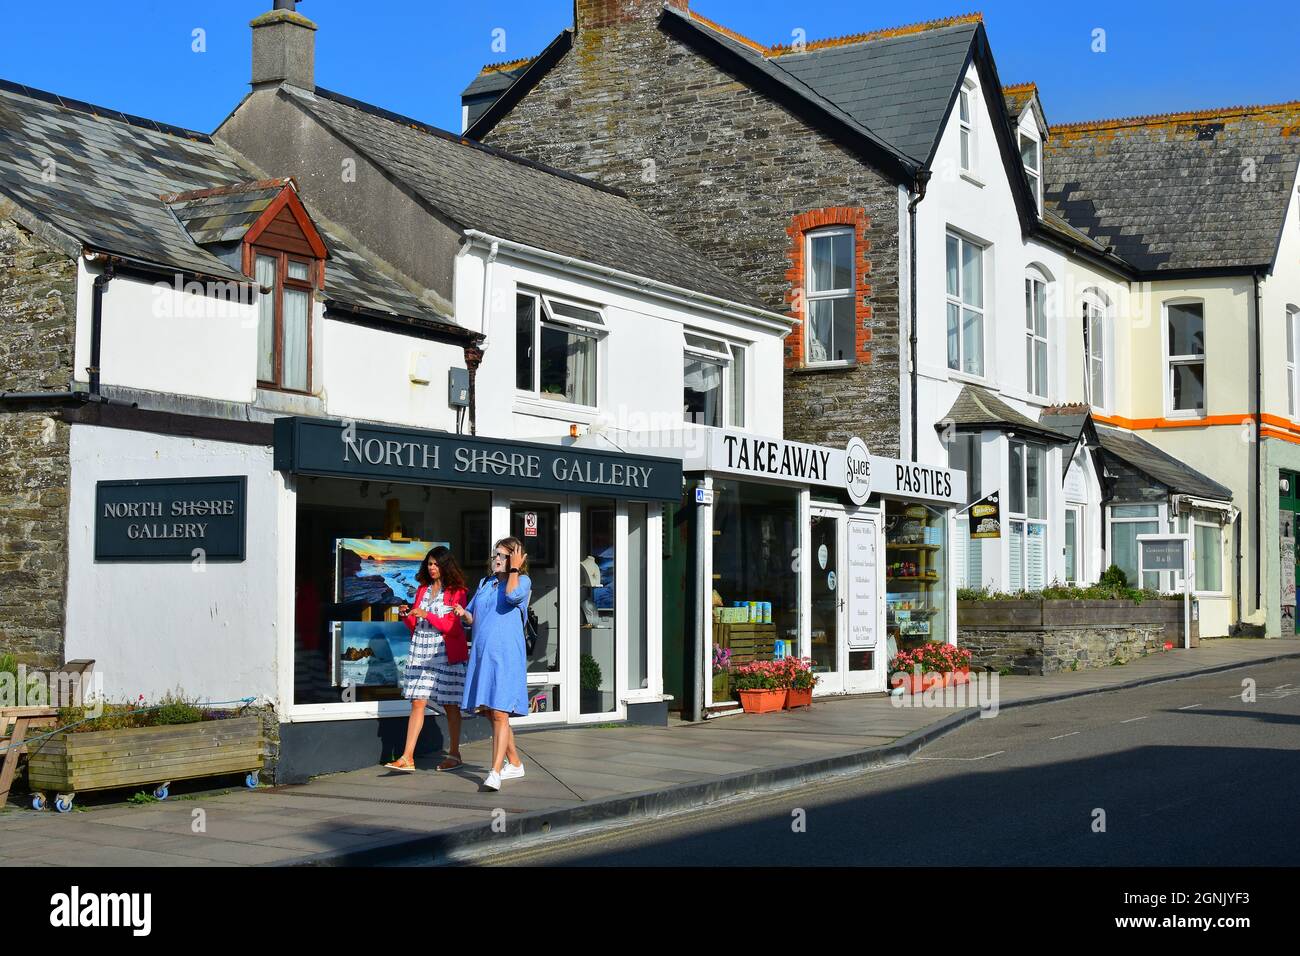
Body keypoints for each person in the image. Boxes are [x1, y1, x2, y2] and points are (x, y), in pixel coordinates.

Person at [454, 537, 530, 791]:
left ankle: (495, 771)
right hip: (483, 654)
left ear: (515, 558)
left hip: (506, 655)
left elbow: (511, 597)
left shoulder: (521, 581)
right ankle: (515, 763)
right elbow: (472, 616)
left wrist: (515, 569)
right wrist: (462, 613)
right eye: (495, 554)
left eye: (503, 555)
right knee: (489, 710)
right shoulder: (485, 583)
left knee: (499, 712)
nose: (497, 559)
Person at [384, 546, 469, 772]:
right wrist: (406, 616)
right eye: (429, 564)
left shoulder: (457, 591)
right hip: (422, 648)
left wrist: (426, 614)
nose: (432, 568)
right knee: (418, 701)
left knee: (450, 704)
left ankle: (454, 753)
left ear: (445, 565)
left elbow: (451, 627)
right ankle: (407, 757)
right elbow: (416, 627)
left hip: (444, 651)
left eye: (436, 564)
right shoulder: (422, 589)